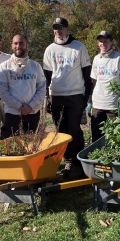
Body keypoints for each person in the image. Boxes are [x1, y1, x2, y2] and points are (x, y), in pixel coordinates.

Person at [43, 17, 92, 179]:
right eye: (55, 27)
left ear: (67, 29)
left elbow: (87, 73)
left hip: (75, 95)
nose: (58, 30)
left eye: (61, 27)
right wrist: (46, 98)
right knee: (61, 131)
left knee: (74, 129)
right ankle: (68, 162)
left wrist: (87, 96)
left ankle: (79, 163)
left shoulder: (79, 47)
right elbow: (47, 76)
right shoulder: (50, 49)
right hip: (56, 96)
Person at [0, 35, 45, 140]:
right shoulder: (4, 67)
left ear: (27, 46)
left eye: (21, 43)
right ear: (11, 45)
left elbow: (41, 89)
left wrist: (30, 106)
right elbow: (3, 91)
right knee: (12, 145)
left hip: (32, 112)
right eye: (15, 43)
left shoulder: (35, 66)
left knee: (33, 144)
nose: (18, 46)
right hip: (12, 113)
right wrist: (19, 106)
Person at [88, 31, 120, 143]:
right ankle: (98, 159)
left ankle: (114, 159)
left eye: (106, 41)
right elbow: (93, 82)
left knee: (115, 137)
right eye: (100, 41)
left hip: (114, 104)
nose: (103, 43)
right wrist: (90, 102)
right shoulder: (96, 59)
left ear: (111, 42)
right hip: (98, 104)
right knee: (97, 136)